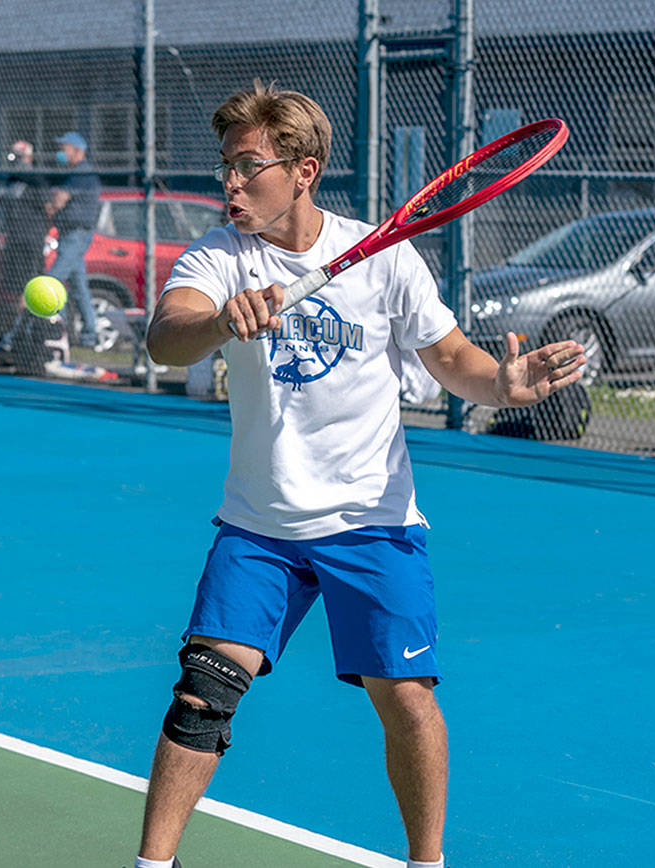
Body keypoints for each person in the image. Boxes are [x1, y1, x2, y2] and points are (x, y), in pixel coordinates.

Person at [133, 83, 586, 868]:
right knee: (203, 691)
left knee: (408, 700)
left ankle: (427, 863)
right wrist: (219, 319)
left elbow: (454, 363)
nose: (231, 184)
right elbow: (166, 338)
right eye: (226, 168)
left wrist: (505, 385)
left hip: (372, 522)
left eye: (249, 166)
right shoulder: (218, 256)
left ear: (304, 170)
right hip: (260, 526)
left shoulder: (383, 258)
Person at [0, 140, 55, 368]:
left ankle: (18, 335)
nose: (15, 162)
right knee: (16, 289)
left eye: (19, 157)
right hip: (14, 241)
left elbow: (48, 208)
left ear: (27, 158)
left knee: (28, 289)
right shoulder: (12, 180)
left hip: (30, 242)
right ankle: (15, 334)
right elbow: (3, 200)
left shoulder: (35, 179)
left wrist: (42, 232)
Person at [46, 131, 102, 348]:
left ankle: (54, 329)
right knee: (79, 287)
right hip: (70, 234)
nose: (61, 153)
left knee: (52, 281)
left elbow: (58, 200)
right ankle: (90, 335)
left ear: (78, 151)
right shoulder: (73, 173)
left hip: (76, 235)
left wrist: (51, 203)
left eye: (64, 149)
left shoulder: (82, 173)